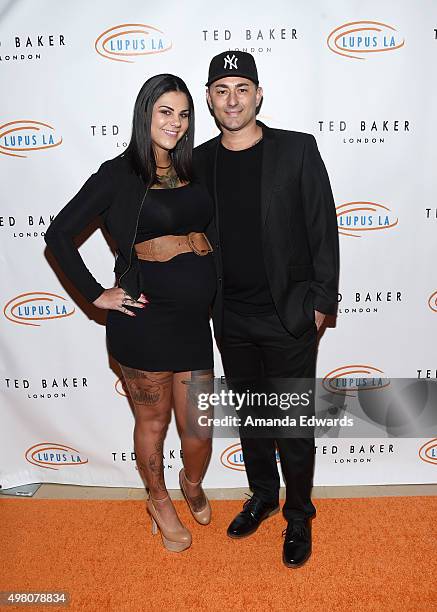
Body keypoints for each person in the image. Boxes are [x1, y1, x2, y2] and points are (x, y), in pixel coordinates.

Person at [44, 74, 216, 553]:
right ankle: (158, 499)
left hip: (192, 326)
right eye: (165, 112)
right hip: (144, 325)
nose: (175, 123)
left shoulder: (194, 169)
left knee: (199, 428)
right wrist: (95, 293)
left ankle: (192, 482)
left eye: (183, 114)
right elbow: (58, 234)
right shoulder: (117, 175)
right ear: (145, 114)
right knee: (154, 424)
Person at [194, 51, 339, 567]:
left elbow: (323, 226)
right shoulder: (200, 160)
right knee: (253, 417)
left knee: (294, 423)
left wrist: (322, 302)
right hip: (229, 316)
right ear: (210, 100)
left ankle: (299, 514)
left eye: (241, 87)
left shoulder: (297, 150)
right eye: (220, 89)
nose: (232, 99)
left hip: (289, 315)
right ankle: (263, 496)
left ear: (258, 94)